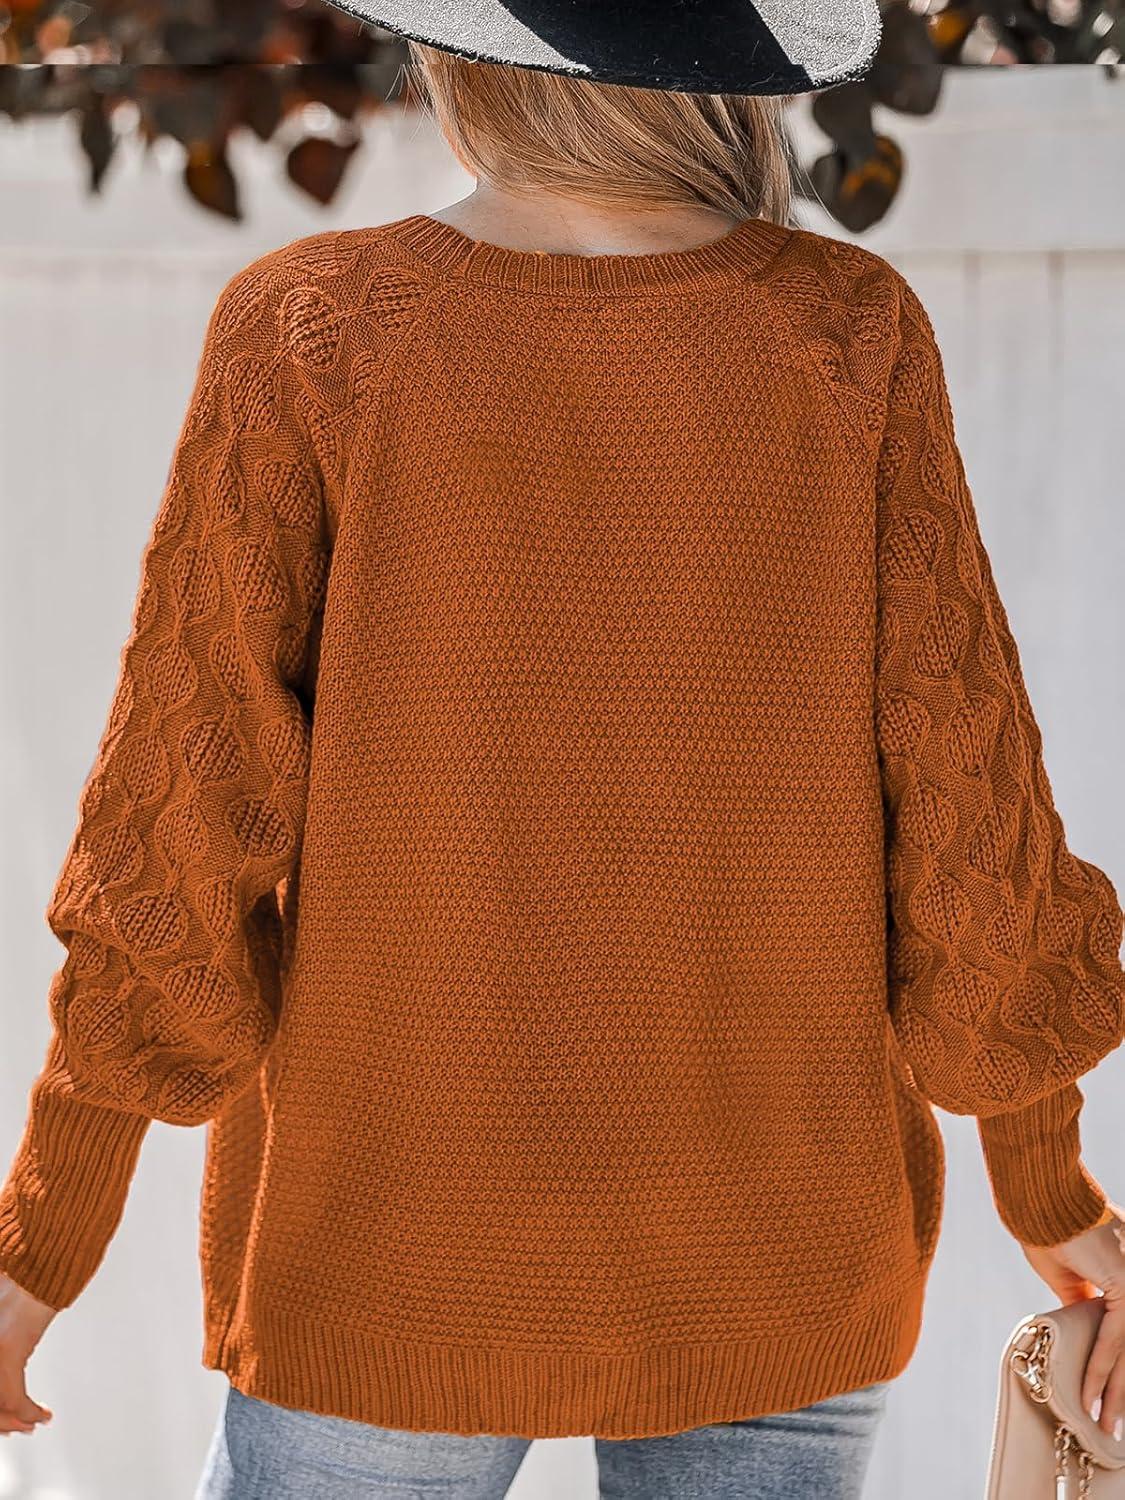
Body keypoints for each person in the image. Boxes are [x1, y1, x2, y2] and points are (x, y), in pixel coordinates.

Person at [1, 6, 1124, 1497]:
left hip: (390, 1248)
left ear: (457, 46)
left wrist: (39, 1246)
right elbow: (962, 792)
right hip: (778, 1247)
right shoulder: (845, 331)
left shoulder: (315, 328)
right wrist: (1044, 1180)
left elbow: (183, 816)